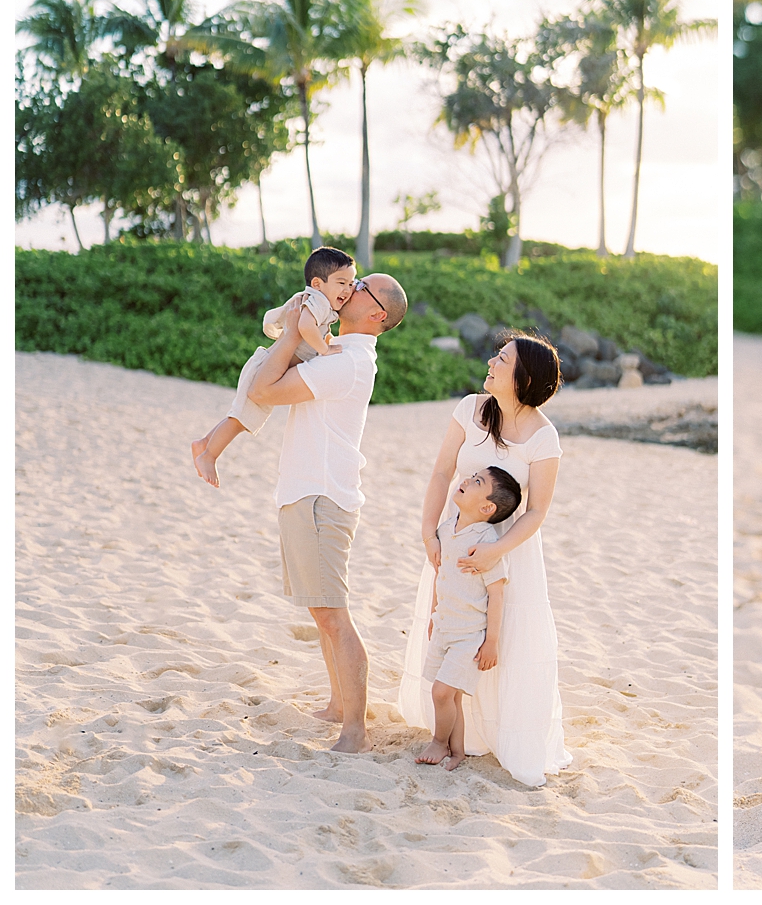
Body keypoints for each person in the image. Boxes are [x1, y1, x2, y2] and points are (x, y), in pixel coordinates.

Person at [399, 333, 571, 786]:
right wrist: (429, 532)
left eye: (502, 358)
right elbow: (441, 472)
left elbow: (537, 512)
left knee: (502, 641)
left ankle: (498, 735)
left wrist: (495, 549)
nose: (491, 362)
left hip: (508, 552)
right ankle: (459, 733)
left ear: (524, 377)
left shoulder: (543, 437)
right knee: (451, 626)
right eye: (496, 354)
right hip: (454, 541)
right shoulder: (471, 408)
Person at [248, 271, 409, 754]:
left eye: (363, 288)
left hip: (321, 497)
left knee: (333, 615)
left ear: (377, 315)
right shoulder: (337, 352)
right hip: (308, 491)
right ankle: (339, 705)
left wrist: (297, 329)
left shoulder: (348, 362)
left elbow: (262, 391)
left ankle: (355, 731)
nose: (350, 289)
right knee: (322, 612)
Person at [191, 246, 357, 488]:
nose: (347, 289)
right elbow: (306, 327)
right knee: (240, 420)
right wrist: (324, 349)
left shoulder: (321, 303)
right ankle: (208, 456)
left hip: (267, 366)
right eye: (341, 282)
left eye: (351, 283)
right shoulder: (317, 302)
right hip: (266, 369)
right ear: (318, 283)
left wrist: (329, 341)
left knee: (240, 415)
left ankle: (204, 442)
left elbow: (320, 330)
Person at [416, 466, 522, 771]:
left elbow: (496, 594)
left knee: (441, 691)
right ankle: (457, 752)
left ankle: (438, 742)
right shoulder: (447, 529)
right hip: (445, 626)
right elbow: (441, 576)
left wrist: (491, 642)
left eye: (477, 482)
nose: (466, 480)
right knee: (452, 697)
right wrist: (434, 614)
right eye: (472, 476)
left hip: (470, 635)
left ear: (487, 507)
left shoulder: (486, 543)